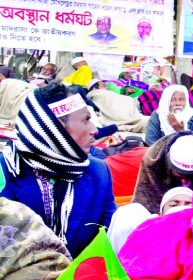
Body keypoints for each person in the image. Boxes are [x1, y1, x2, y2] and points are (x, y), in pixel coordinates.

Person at [1, 81, 115, 257]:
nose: (94, 130)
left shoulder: (97, 173)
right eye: (86, 120)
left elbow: (108, 237)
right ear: (54, 129)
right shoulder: (7, 169)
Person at [132, 132, 193, 213]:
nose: (185, 182)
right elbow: (146, 203)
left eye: (191, 176)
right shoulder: (153, 159)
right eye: (180, 176)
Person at [108, 187, 193, 253]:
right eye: (174, 205)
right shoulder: (144, 244)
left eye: (188, 205)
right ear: (160, 215)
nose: (182, 209)